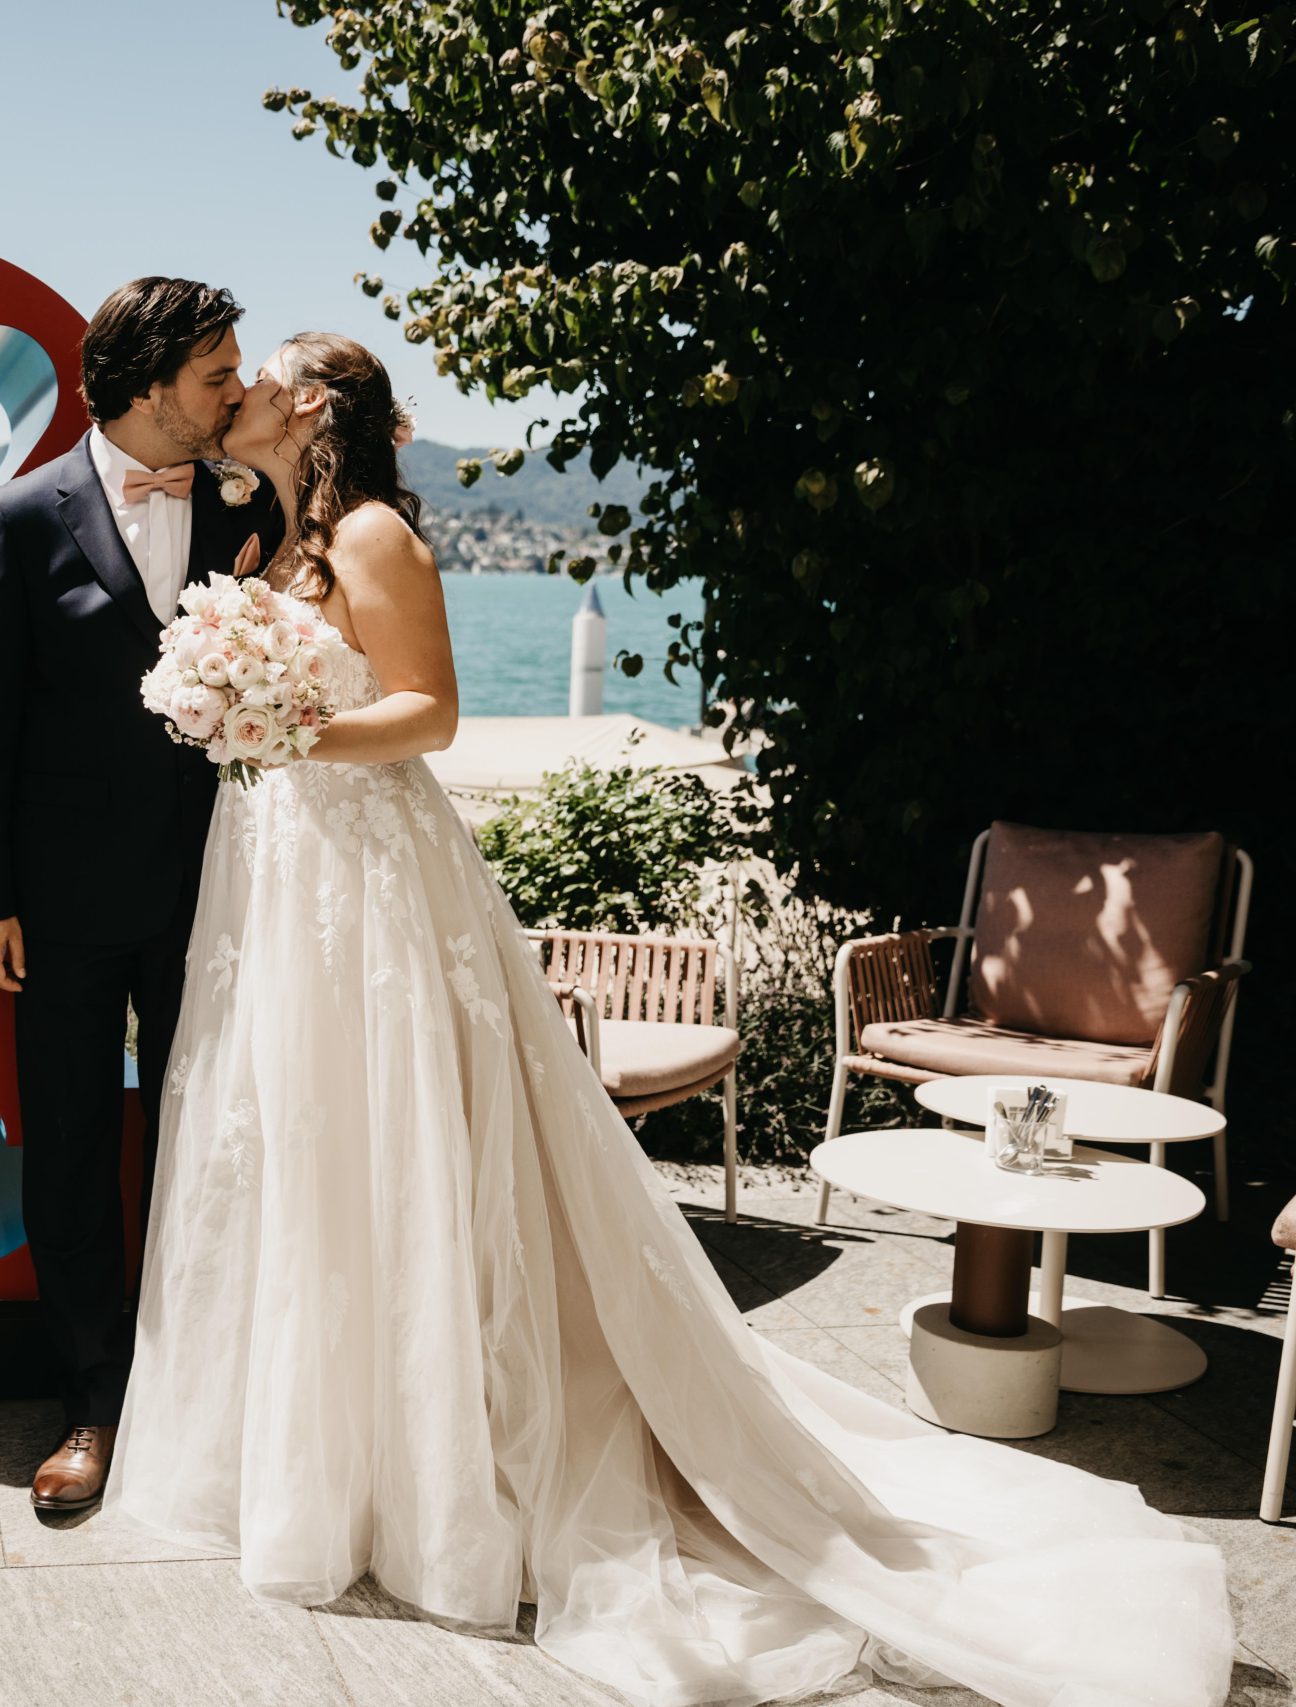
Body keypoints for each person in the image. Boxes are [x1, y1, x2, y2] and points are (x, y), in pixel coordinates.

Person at [102, 332, 1237, 1707]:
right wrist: (242, 714)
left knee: (396, 1151)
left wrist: (283, 731)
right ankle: (321, 1459)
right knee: (301, 1154)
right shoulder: (269, 544)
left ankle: (441, 1470)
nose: (249, 387)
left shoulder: (382, 533)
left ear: (321, 406)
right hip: (281, 883)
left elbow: (433, 714)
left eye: (273, 368)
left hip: (374, 887)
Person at [0, 277, 284, 1513]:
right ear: (147, 385)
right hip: (65, 903)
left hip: (222, 892)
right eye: (214, 374)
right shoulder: (19, 515)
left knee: (218, 1144)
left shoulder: (254, 506)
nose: (235, 391)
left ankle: (213, 1400)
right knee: (76, 1154)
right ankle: (92, 1405)